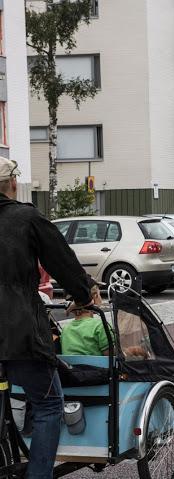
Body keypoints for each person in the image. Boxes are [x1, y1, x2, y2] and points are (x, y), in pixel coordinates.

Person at [0, 157, 93, 479]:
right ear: (12, 183)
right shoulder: (25, 217)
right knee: (49, 405)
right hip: (18, 329)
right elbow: (61, 260)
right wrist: (82, 294)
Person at [60, 278, 110, 356]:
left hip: (72, 368)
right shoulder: (100, 326)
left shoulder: (65, 330)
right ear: (95, 296)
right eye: (99, 294)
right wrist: (131, 351)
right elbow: (111, 356)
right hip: (97, 368)